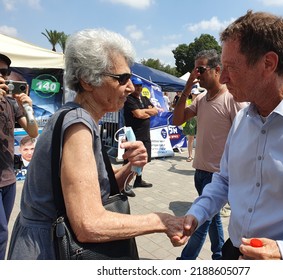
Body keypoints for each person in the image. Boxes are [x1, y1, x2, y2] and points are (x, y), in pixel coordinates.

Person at [177, 10, 283, 260]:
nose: (223, 77)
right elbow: (224, 180)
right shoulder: (242, 120)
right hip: (234, 254)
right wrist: (197, 213)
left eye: (231, 68)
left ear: (268, 63)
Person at [7, 28, 185, 260]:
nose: (130, 87)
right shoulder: (79, 124)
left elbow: (97, 190)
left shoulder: (80, 118)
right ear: (88, 81)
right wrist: (161, 221)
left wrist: (131, 167)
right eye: (122, 78)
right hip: (48, 251)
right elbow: (88, 223)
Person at [172, 49, 247, 260]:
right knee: (212, 219)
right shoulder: (202, 99)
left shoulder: (232, 99)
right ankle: (218, 254)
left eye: (201, 70)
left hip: (218, 178)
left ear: (217, 70)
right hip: (200, 172)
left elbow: (246, 136)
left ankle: (185, 261)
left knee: (200, 223)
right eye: (195, 70)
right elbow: (177, 120)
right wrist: (187, 88)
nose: (197, 74)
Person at [0, 53, 39, 260]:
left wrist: (28, 108)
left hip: (8, 178)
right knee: (1, 234)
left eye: (4, 72)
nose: (1, 76)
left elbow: (33, 132)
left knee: (4, 228)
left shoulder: (10, 103)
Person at [123, 76, 158, 191]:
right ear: (132, 86)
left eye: (140, 86)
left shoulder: (144, 98)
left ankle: (138, 180)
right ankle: (123, 182)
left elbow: (155, 111)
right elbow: (138, 114)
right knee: (129, 161)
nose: (138, 88)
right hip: (133, 135)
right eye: (136, 85)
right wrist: (147, 112)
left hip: (145, 135)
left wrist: (145, 112)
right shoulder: (129, 99)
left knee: (143, 159)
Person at [182, 88, 199, 162]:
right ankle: (190, 155)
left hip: (199, 121)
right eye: (195, 94)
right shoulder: (188, 101)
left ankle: (198, 156)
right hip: (190, 121)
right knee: (190, 139)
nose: (196, 95)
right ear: (191, 94)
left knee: (199, 139)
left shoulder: (200, 102)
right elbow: (186, 110)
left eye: (197, 94)